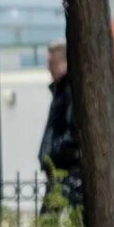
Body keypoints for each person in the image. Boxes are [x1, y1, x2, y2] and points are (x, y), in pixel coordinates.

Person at [39, 41, 80, 204]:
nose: (48, 68)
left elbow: (73, 131)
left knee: (50, 221)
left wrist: (53, 153)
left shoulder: (68, 92)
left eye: (51, 63)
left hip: (64, 171)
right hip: (59, 169)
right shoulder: (61, 91)